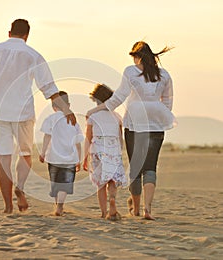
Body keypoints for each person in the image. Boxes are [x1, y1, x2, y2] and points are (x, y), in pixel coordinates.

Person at [0, 19, 76, 214]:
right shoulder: (33, 54)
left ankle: (8, 207)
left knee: (3, 159)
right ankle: (20, 186)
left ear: (9, 33)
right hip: (23, 113)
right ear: (27, 36)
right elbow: (48, 87)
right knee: (25, 155)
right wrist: (66, 109)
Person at [87, 41, 175, 220]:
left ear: (138, 57)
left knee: (136, 165)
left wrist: (96, 110)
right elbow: (167, 102)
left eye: (134, 57)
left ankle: (135, 208)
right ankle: (147, 209)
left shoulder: (131, 71)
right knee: (150, 167)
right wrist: (160, 117)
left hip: (135, 123)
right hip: (155, 124)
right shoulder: (164, 75)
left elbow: (118, 97)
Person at [83, 84, 126, 221]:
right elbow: (120, 137)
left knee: (101, 183)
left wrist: (84, 157)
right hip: (113, 149)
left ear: (96, 100)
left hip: (98, 150)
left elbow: (88, 139)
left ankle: (103, 212)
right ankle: (112, 199)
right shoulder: (117, 116)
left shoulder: (93, 117)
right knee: (112, 181)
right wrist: (120, 152)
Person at [39, 91, 83, 216]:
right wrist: (78, 159)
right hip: (69, 159)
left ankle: (57, 205)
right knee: (64, 184)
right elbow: (78, 142)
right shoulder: (73, 120)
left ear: (53, 106)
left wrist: (42, 153)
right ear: (68, 105)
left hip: (53, 158)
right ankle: (60, 206)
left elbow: (47, 137)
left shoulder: (50, 119)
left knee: (56, 183)